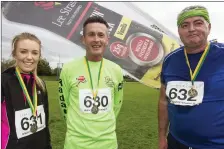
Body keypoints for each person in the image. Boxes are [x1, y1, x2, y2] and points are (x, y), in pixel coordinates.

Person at [158, 5, 224, 149]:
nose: (191, 29)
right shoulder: (170, 60)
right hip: (177, 141)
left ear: (209, 27)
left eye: (198, 23)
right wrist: (162, 136)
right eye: (185, 25)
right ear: (179, 31)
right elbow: (164, 101)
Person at [58, 16, 124, 149]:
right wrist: (77, 127)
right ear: (83, 39)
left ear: (107, 40)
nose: (96, 39)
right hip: (76, 143)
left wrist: (104, 126)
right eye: (91, 34)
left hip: (108, 143)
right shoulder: (68, 69)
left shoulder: (116, 70)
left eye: (101, 35)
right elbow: (64, 103)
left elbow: (117, 104)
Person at [1, 32, 52, 149]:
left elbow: (45, 125)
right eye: (23, 51)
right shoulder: (3, 82)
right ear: (15, 54)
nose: (29, 57)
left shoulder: (40, 85)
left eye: (34, 53)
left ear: (39, 56)